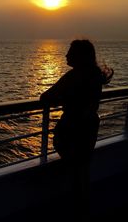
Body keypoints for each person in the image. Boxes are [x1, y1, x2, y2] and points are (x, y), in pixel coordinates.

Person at [40, 39, 114, 219]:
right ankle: (83, 208)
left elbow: (45, 97)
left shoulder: (74, 76)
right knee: (83, 170)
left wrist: (63, 100)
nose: (66, 55)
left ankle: (78, 210)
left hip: (73, 128)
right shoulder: (95, 76)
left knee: (76, 170)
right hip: (89, 127)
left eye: (70, 52)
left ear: (80, 56)